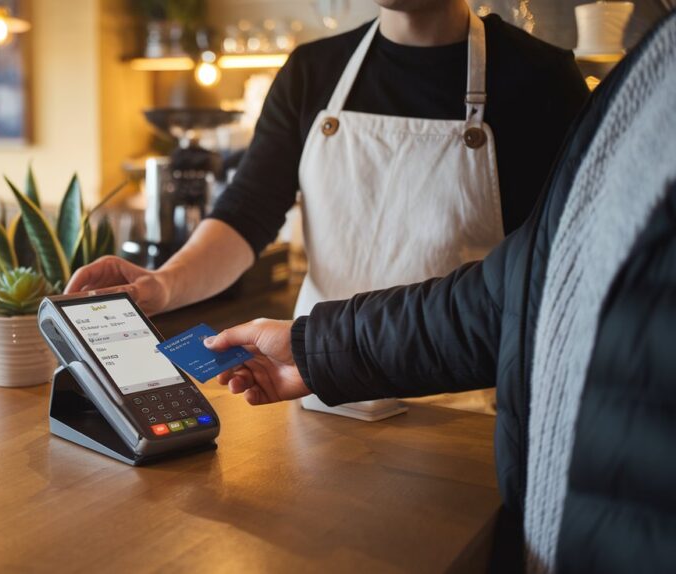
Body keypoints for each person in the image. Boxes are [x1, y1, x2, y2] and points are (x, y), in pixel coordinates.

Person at [200, 10, 676, 571]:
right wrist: (309, 348)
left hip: (465, 421)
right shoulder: (313, 69)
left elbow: (530, 300)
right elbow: (512, 293)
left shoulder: (544, 77)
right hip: (322, 398)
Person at [68, 0, 588, 412]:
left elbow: (548, 277)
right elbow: (247, 213)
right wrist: (164, 283)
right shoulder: (311, 72)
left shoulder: (541, 78)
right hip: (315, 386)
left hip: (464, 408)